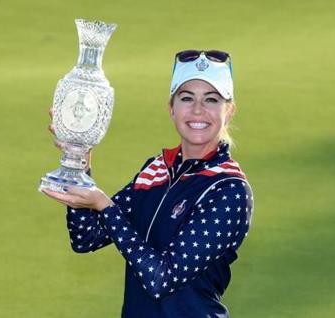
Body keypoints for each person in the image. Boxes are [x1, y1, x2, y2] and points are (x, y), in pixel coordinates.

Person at [43, 49, 254, 318]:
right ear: (171, 108)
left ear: (230, 111)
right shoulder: (156, 170)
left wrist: (104, 205)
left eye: (211, 100)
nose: (198, 110)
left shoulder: (228, 189)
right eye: (187, 98)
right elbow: (87, 237)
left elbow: (161, 279)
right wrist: (79, 164)